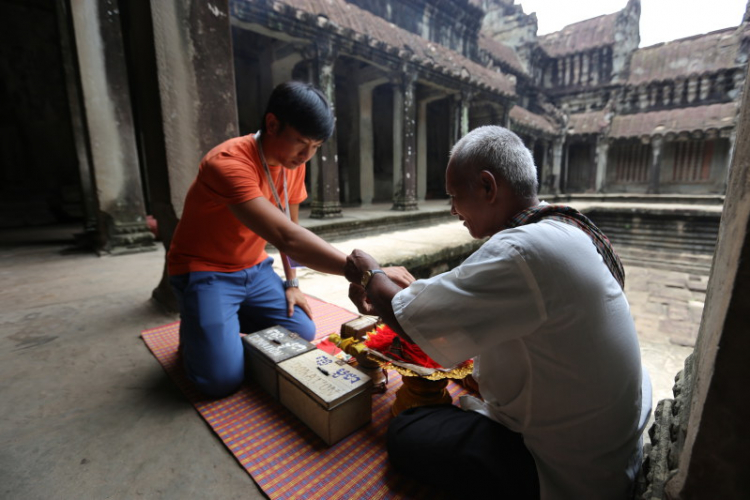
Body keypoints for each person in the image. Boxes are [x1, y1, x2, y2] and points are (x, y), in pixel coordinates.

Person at [344, 126, 651, 499]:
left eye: (455, 196)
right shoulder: (563, 230)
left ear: (489, 188)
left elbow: (409, 319)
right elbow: (455, 302)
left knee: (407, 430)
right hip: (608, 448)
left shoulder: (521, 252)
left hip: (567, 471)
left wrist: (369, 269)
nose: (454, 210)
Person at [168, 81, 412, 398]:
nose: (306, 156)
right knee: (219, 381)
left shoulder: (290, 164)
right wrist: (368, 273)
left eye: (316, 147)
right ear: (272, 124)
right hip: (205, 272)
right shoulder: (227, 164)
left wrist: (292, 284)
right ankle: (199, 321)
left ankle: (215, 325)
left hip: (254, 269)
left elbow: (291, 227)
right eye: (301, 143)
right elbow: (288, 236)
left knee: (301, 330)